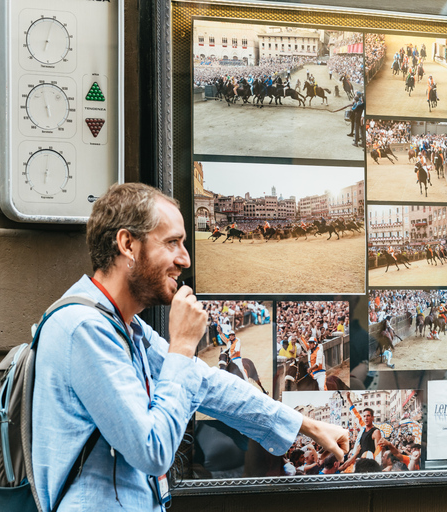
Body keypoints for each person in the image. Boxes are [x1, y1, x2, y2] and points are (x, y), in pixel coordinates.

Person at [31, 183, 348, 511]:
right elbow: (152, 451)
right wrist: (182, 344)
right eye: (172, 243)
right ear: (127, 244)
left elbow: (208, 384)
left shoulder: (126, 325)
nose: (184, 259)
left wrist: (306, 425)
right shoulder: (85, 329)